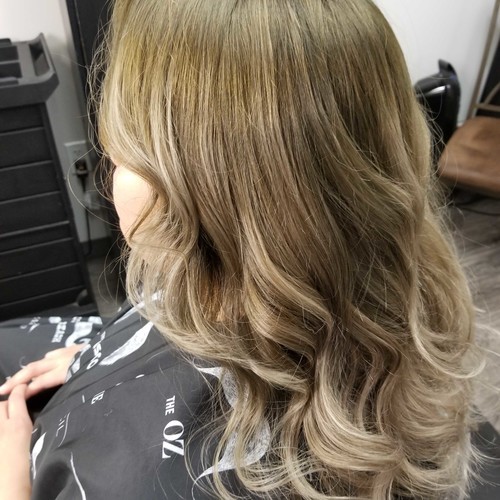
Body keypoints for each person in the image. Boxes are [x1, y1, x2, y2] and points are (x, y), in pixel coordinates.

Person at [0, 0, 487, 498]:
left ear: (212, 203)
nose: (109, 178)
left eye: (122, 157)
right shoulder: (389, 296)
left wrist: (13, 483)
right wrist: (102, 364)